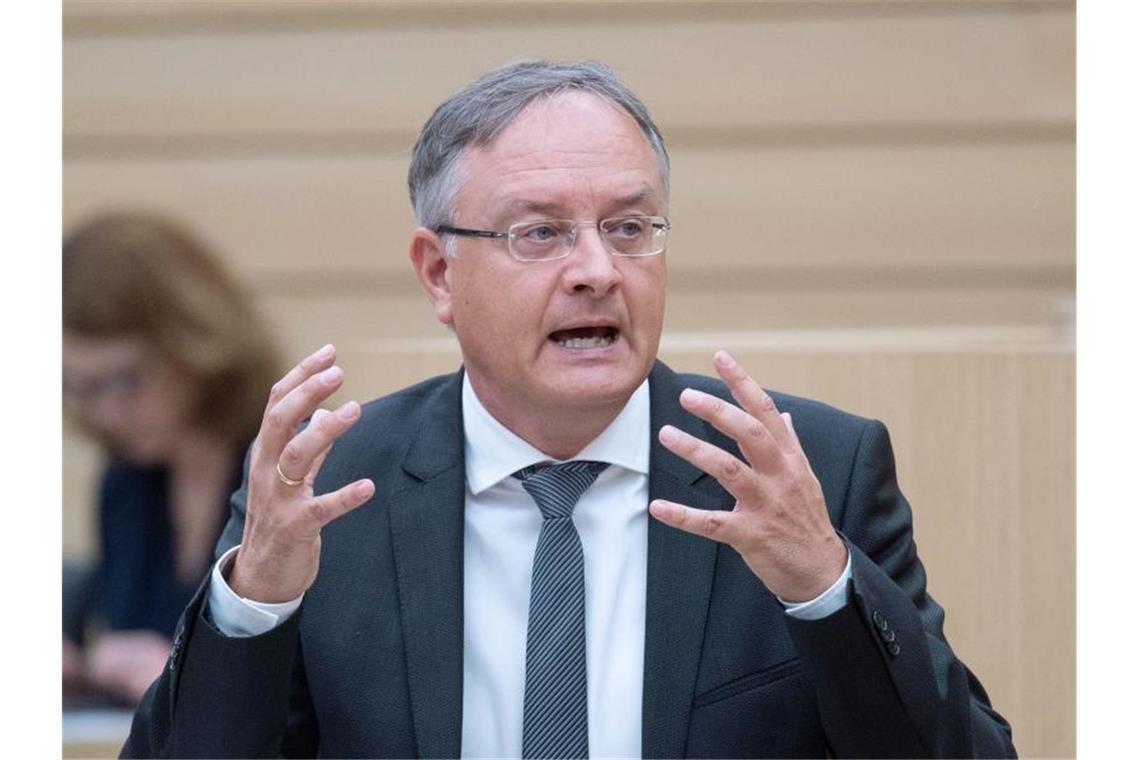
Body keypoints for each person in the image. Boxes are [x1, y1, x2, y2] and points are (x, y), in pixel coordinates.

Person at [123, 61, 1015, 757]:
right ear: (440, 273)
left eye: (629, 228)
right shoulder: (334, 491)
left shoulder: (802, 470)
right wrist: (254, 609)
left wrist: (824, 588)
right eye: (540, 233)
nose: (596, 269)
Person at [62, 212, 280, 706]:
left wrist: (186, 675)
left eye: (123, 379)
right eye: (81, 388)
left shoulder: (291, 461)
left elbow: (327, 682)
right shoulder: (128, 478)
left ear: (191, 341)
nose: (107, 412)